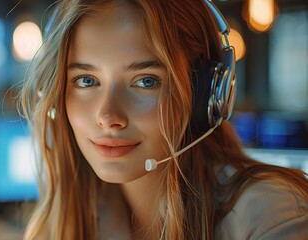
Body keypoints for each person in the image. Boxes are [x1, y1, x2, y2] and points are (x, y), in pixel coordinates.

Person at [17, 0, 308, 239]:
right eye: (86, 80)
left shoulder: (273, 215)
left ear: (205, 93)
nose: (108, 117)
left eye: (145, 81)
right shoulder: (71, 220)